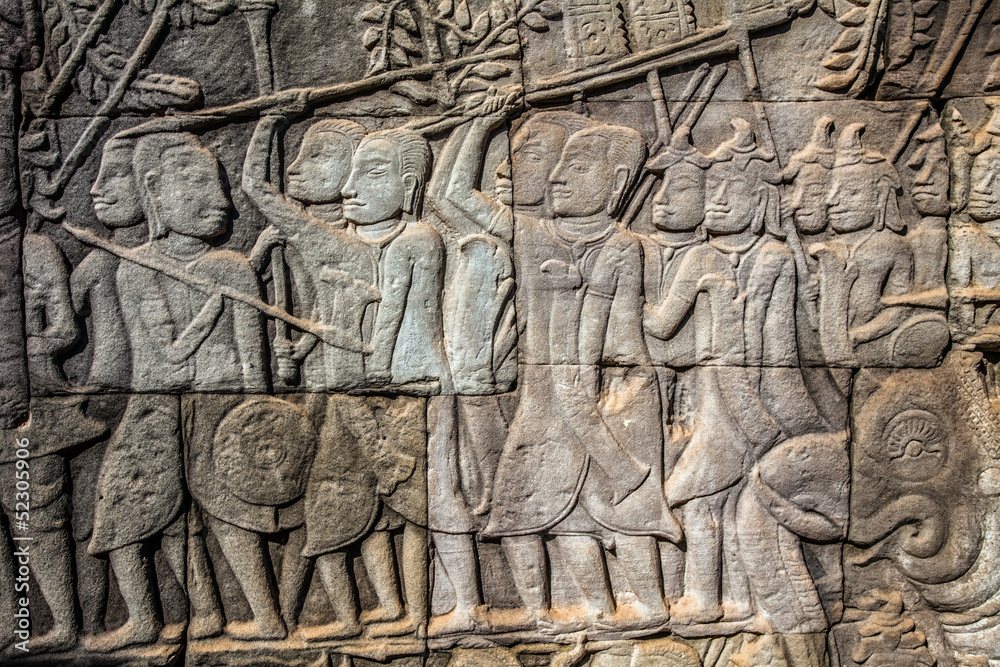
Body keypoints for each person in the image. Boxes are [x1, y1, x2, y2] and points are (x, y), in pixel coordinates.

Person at [486, 120, 681, 634]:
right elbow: (451, 198)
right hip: (551, 397)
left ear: (617, 183)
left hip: (618, 392)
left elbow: (601, 332)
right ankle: (592, 609)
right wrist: (479, 122)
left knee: (626, 507)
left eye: (575, 166)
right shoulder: (533, 238)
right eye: (556, 166)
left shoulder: (623, 246)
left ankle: (652, 606)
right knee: (541, 505)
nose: (555, 178)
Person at [89, 131, 269, 650]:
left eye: (220, 187)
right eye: (196, 185)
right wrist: (215, 304)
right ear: (154, 191)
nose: (221, 203)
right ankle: (175, 616)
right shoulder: (136, 267)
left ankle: (266, 617)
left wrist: (256, 419)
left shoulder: (230, 268)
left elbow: (254, 366)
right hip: (154, 410)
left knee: (231, 516)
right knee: (126, 514)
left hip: (220, 408)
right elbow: (167, 355)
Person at [646, 117, 826, 624]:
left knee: (695, 498)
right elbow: (663, 331)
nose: (718, 200)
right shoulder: (702, 253)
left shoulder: (771, 259)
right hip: (700, 395)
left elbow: (775, 349)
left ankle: (710, 597)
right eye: (714, 189)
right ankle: (740, 600)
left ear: (763, 201)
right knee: (720, 503)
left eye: (734, 190)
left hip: (745, 396)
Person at [424, 93, 519, 636]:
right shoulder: (485, 234)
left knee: (481, 492)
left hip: (482, 382)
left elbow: (451, 193)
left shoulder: (509, 233)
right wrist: (470, 122)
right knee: (456, 490)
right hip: (463, 381)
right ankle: (467, 601)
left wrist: (480, 124)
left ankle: (484, 603)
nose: (504, 175)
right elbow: (441, 194)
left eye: (519, 169)